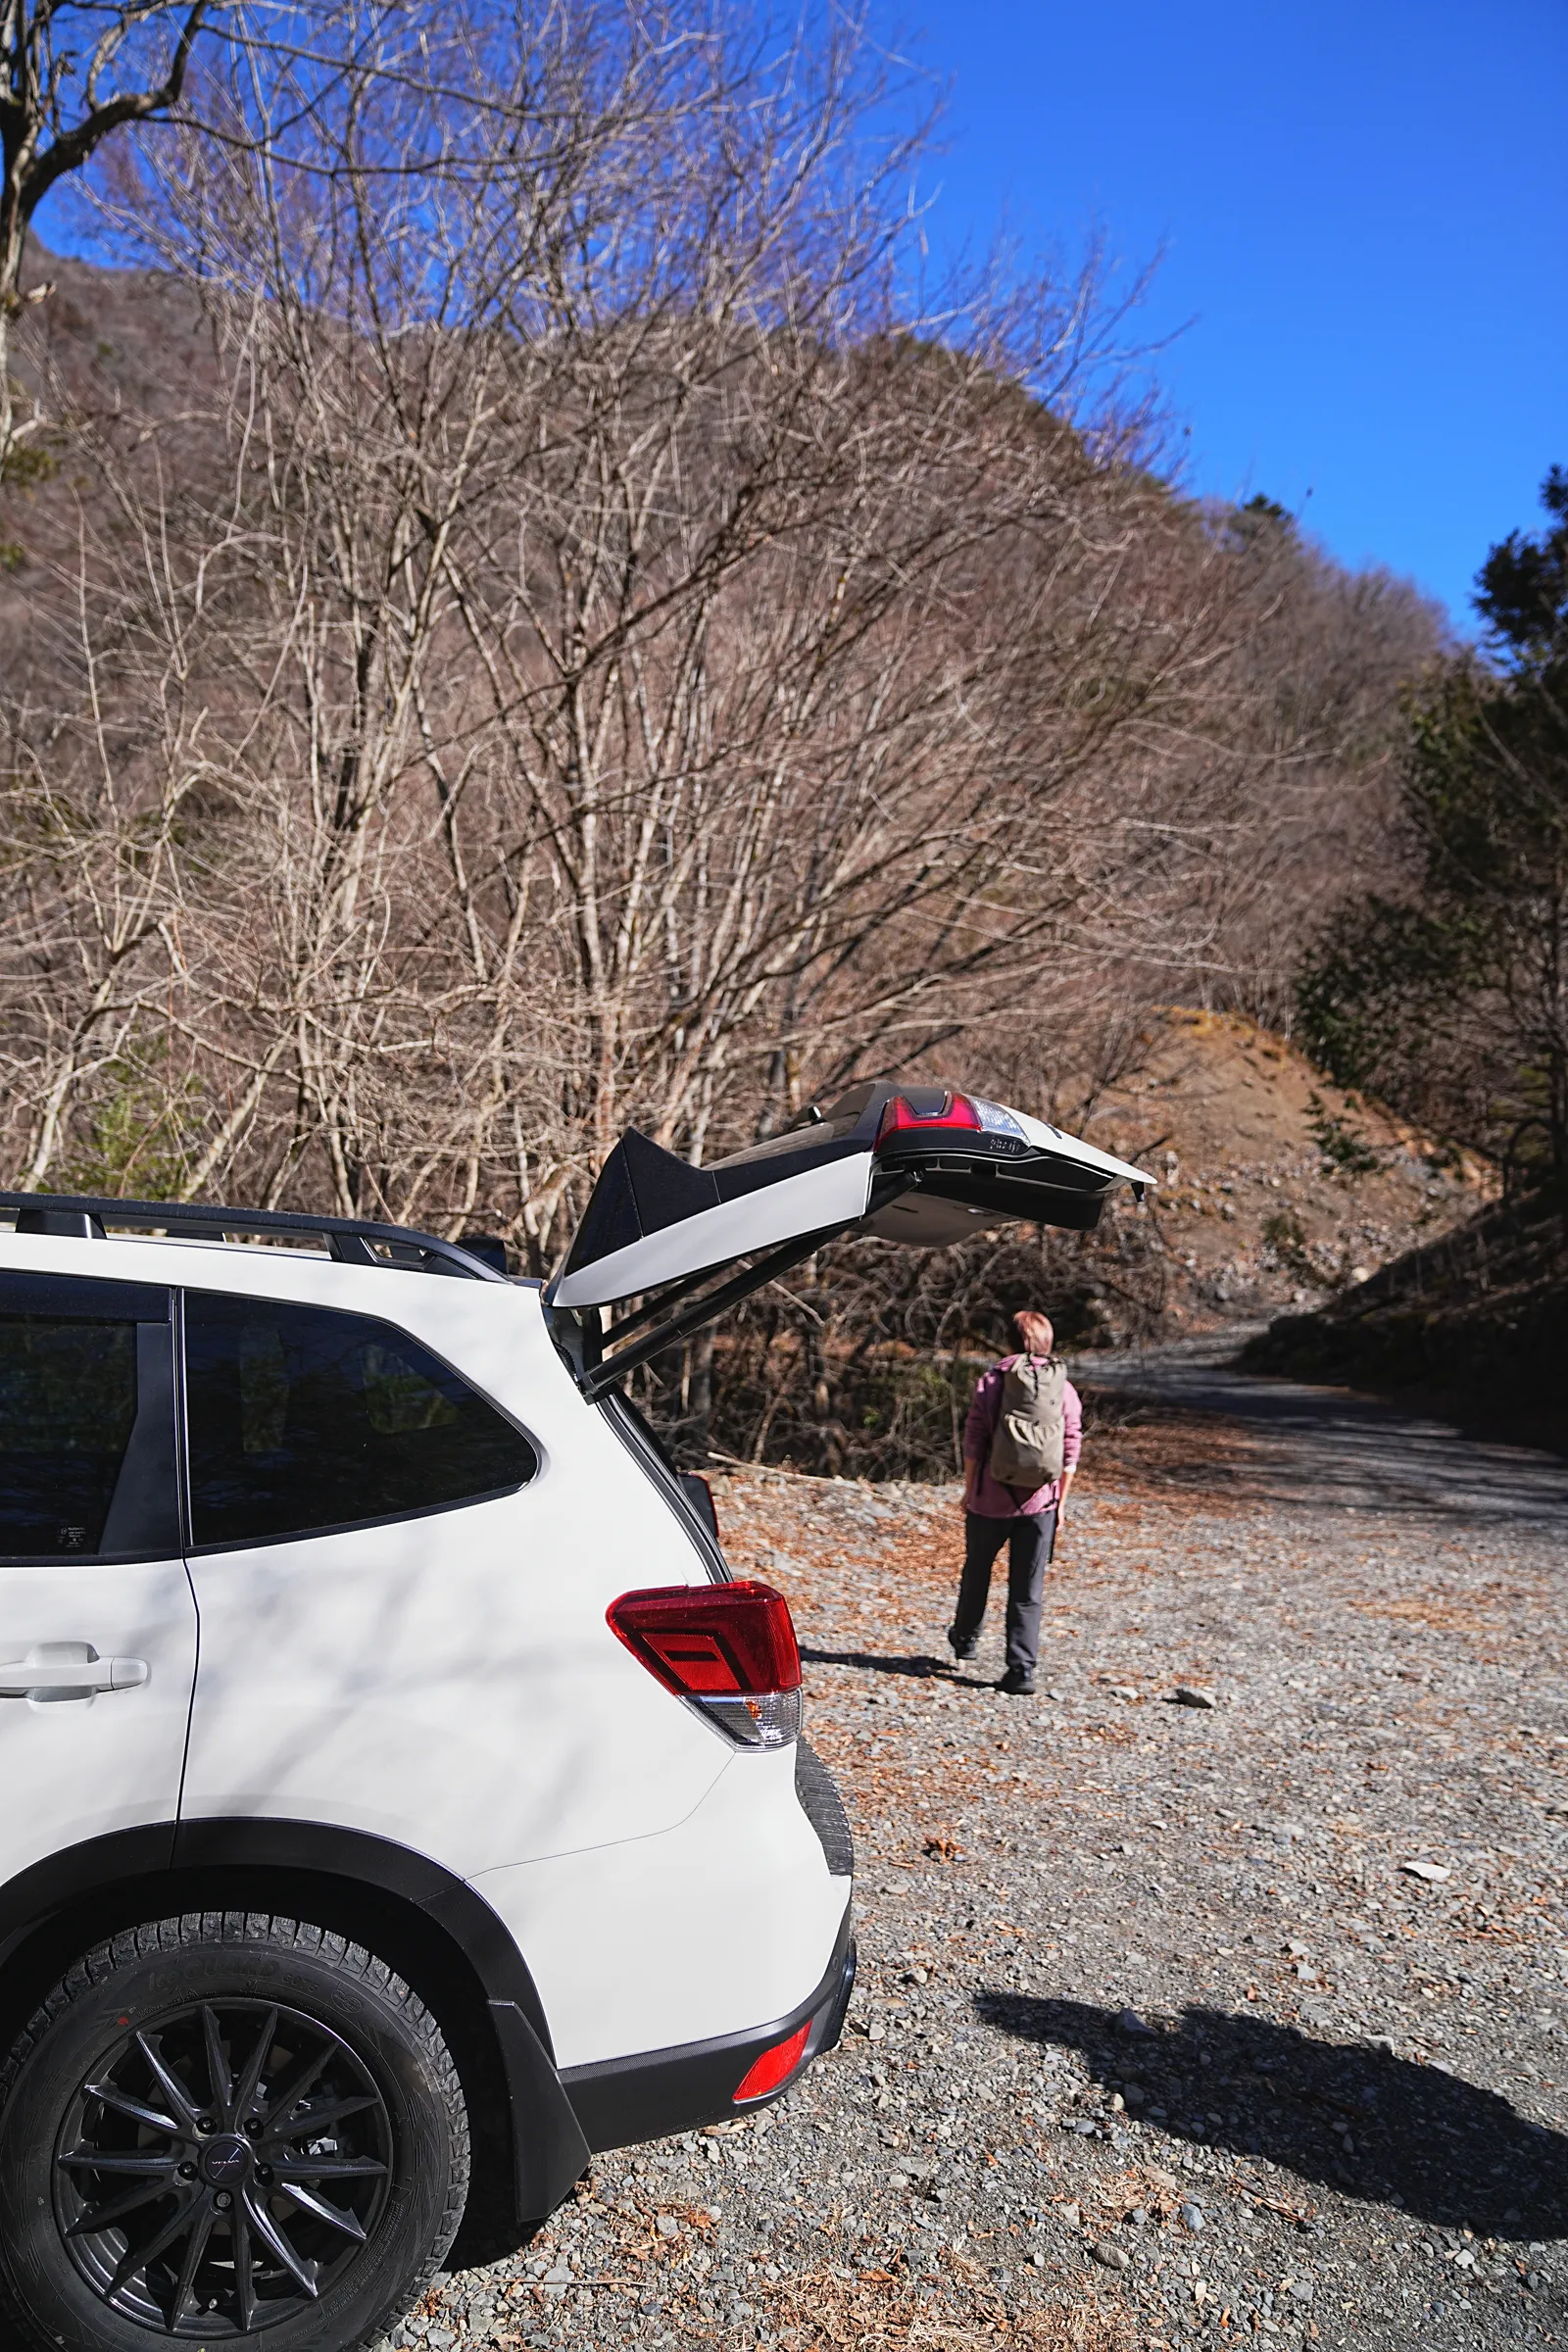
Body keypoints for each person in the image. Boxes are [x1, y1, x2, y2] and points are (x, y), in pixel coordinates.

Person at [949, 1309, 1082, 1695]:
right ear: (1047, 1341)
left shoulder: (992, 1381)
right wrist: (1061, 1501)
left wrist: (969, 1490)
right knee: (1028, 1588)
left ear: (1009, 1340)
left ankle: (966, 1639)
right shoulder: (1064, 1388)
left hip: (990, 1500)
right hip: (1040, 1503)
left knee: (978, 1569)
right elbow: (1071, 1447)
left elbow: (974, 1441)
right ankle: (1021, 1670)